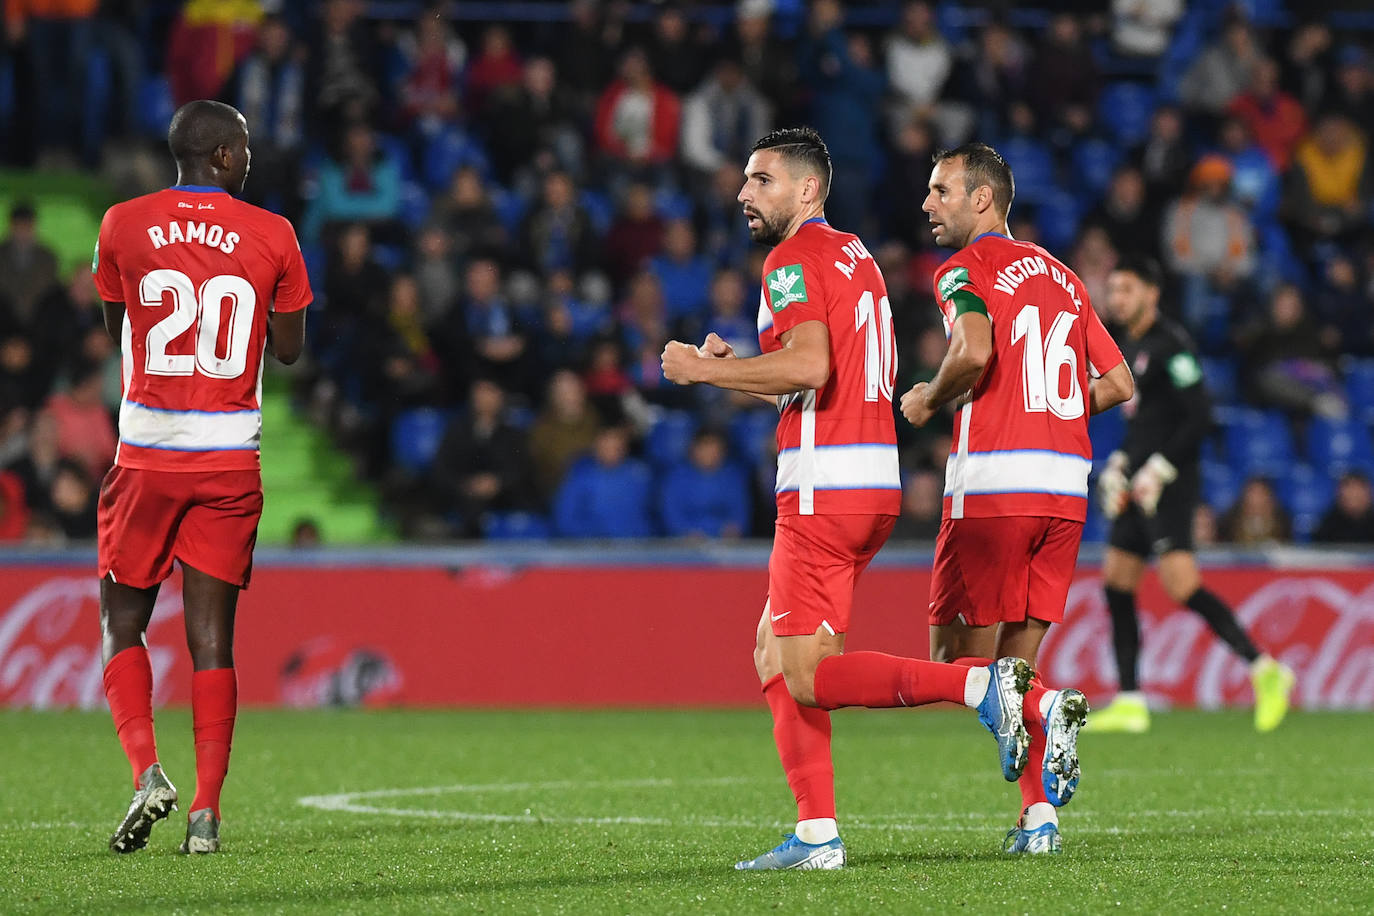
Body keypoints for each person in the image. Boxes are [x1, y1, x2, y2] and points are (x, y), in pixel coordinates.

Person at [661, 128, 1037, 871]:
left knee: (806, 674)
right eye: (745, 179)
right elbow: (824, 374)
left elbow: (810, 363)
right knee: (773, 650)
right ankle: (815, 833)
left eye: (762, 180)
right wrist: (746, 370)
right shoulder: (854, 255)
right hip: (870, 480)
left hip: (821, 488)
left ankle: (980, 687)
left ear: (807, 190)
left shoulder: (789, 259)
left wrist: (704, 373)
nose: (743, 193)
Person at [901, 143, 1135, 854]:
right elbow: (1119, 382)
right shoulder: (1065, 277)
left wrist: (928, 399)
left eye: (941, 190)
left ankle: (1049, 706)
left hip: (996, 485)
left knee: (956, 663)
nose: (927, 204)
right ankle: (1039, 820)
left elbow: (972, 351)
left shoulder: (963, 269)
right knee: (1014, 669)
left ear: (983, 199)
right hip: (1065, 489)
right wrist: (1052, 417)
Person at [92, 100, 311, 855]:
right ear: (221, 155)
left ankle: (146, 773)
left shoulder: (122, 223)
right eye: (243, 148)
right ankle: (206, 814)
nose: (249, 159)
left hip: (147, 454)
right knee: (212, 640)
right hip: (228, 458)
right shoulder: (274, 233)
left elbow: (120, 325)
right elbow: (289, 350)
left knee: (122, 621)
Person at [1091, 257, 1295, 736]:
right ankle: (1130, 701)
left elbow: (1200, 415)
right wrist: (1121, 464)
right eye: (1113, 290)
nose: (1116, 299)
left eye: (1126, 289)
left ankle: (1265, 669)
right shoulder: (1127, 346)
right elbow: (1146, 423)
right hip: (1139, 482)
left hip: (1170, 484)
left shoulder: (1172, 345)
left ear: (1152, 293)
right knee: (1117, 581)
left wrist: (1159, 469)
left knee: (1181, 585)